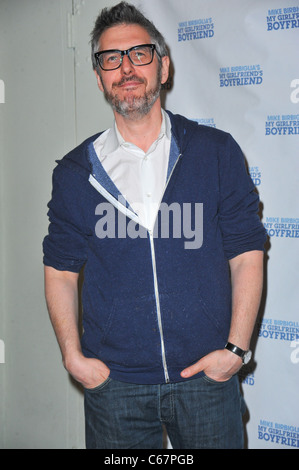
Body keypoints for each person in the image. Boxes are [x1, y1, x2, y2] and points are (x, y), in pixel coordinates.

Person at [43, 2, 267, 449]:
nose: (126, 68)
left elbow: (246, 255)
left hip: (205, 380)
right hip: (116, 389)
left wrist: (236, 352)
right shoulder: (75, 173)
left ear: (163, 66)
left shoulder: (215, 153)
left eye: (140, 54)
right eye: (111, 59)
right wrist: (73, 356)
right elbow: (60, 271)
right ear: (100, 77)